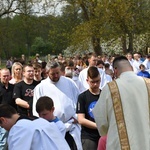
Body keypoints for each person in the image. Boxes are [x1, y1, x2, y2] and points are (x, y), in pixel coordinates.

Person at [93, 56, 150, 150]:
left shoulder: (110, 88)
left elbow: (101, 121)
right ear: (131, 68)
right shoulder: (148, 84)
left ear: (115, 70)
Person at [33, 61, 82, 150]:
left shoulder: (69, 82)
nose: (56, 76)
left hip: (71, 127)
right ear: (47, 73)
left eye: (57, 73)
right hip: (52, 130)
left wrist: (77, 116)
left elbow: (79, 101)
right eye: (53, 74)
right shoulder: (40, 87)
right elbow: (37, 112)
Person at [0, 104, 70, 150]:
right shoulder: (42, 121)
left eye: (2, 126)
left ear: (3, 120)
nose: (4, 129)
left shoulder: (18, 128)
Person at [76, 66, 100, 150]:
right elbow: (81, 119)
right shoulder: (82, 97)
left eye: (97, 81)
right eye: (92, 82)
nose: (95, 84)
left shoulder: (105, 95)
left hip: (103, 135)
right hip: (88, 136)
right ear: (87, 81)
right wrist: (98, 126)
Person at [0, 68, 16, 150]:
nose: (6, 78)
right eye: (4, 76)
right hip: (2, 119)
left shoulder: (13, 87)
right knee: (3, 142)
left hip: (12, 118)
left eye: (7, 76)